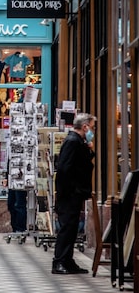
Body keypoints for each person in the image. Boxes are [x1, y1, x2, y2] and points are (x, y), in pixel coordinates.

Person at [52, 112, 96, 275]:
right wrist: (63, 194)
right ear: (84, 127)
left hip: (73, 193)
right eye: (92, 127)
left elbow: (81, 163)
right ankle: (59, 262)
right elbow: (64, 169)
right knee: (67, 227)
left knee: (71, 228)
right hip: (70, 194)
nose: (93, 130)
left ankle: (68, 261)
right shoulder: (72, 141)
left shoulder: (78, 141)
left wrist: (88, 148)